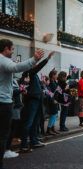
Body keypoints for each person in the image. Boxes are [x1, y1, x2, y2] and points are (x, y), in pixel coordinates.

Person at [0, 39, 43, 169]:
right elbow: (16, 67)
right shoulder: (3, 60)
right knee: (2, 135)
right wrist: (33, 59)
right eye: (12, 49)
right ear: (6, 49)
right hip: (3, 103)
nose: (13, 52)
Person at [20, 51, 55, 153]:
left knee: (35, 122)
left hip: (38, 100)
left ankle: (34, 141)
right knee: (29, 122)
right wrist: (47, 59)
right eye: (33, 63)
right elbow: (38, 67)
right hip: (32, 101)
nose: (35, 64)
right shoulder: (28, 73)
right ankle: (24, 144)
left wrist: (42, 84)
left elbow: (37, 86)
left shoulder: (33, 75)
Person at [45, 70, 60, 135]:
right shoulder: (51, 83)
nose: (57, 76)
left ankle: (52, 128)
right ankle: (49, 129)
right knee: (53, 115)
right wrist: (53, 99)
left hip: (56, 100)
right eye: (56, 74)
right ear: (53, 75)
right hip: (52, 101)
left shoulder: (55, 82)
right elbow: (50, 93)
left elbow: (58, 90)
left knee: (55, 115)